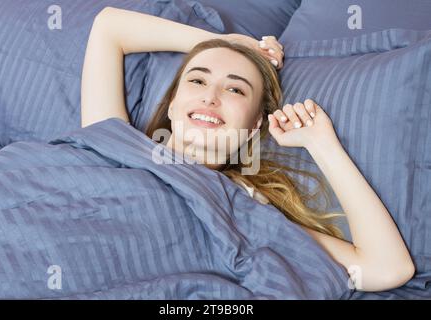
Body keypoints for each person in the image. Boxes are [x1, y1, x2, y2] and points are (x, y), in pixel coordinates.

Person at [80, 7, 415, 292]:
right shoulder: (115, 142)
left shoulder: (243, 205)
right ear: (171, 105)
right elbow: (110, 25)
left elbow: (387, 268)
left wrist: (322, 144)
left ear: (256, 125)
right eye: (197, 80)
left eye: (235, 89)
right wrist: (227, 45)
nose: (211, 97)